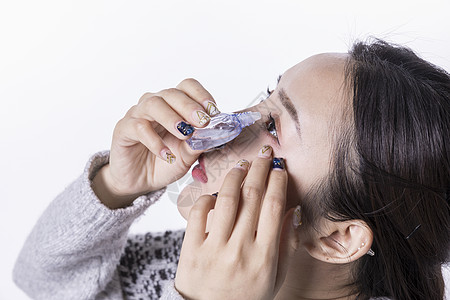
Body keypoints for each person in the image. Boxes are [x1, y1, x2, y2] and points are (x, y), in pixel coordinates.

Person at [13, 39, 450, 300]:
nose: (227, 125)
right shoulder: (183, 262)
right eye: (266, 95)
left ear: (338, 238)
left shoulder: (202, 279)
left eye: (274, 127)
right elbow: (41, 281)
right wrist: (117, 187)